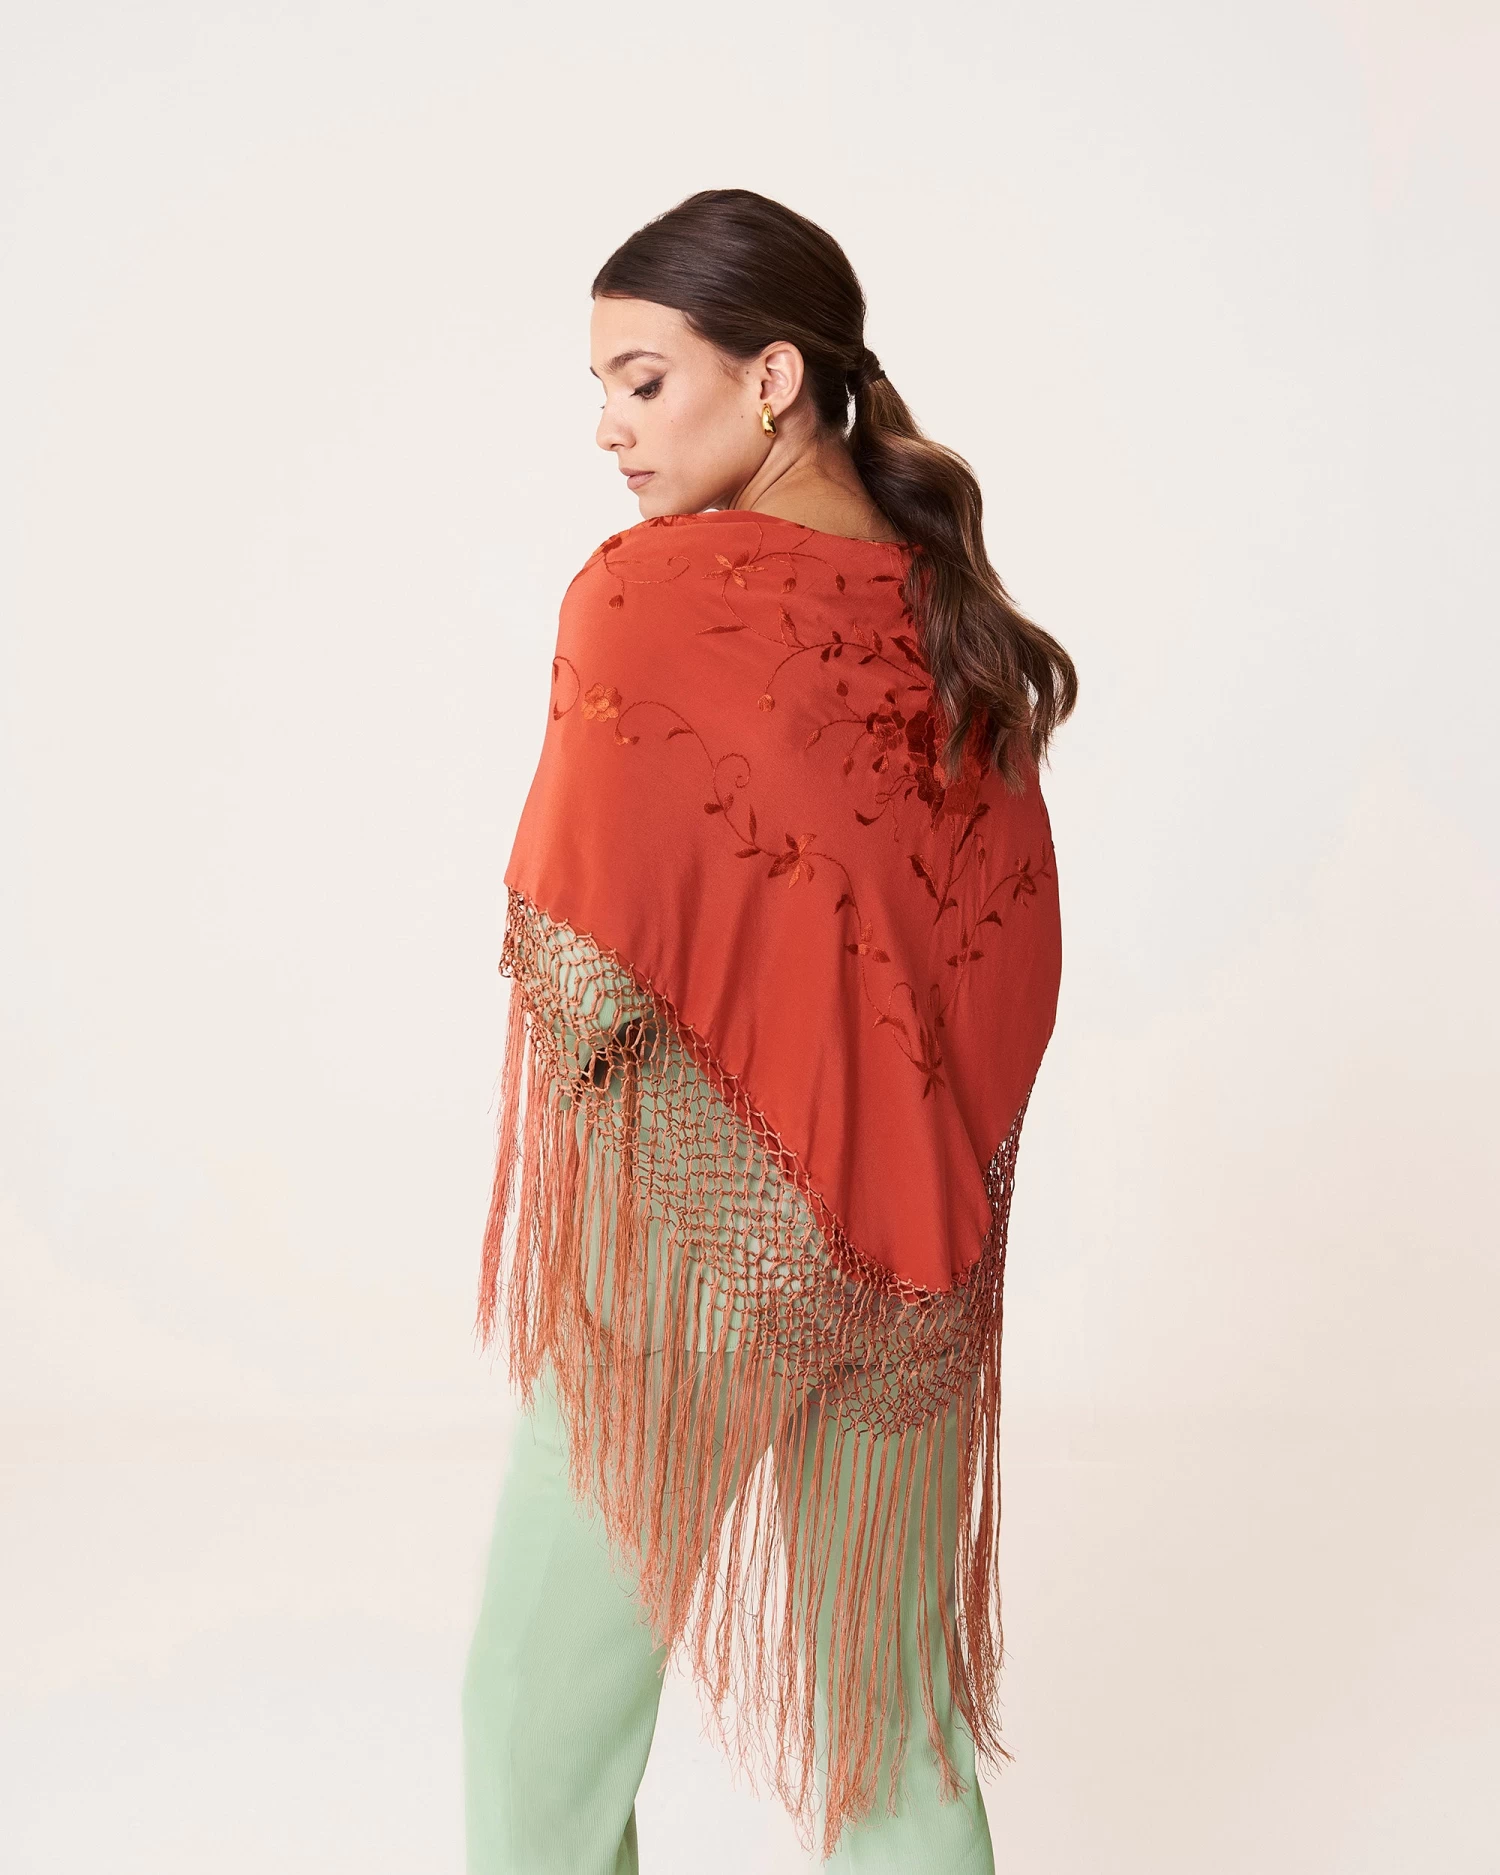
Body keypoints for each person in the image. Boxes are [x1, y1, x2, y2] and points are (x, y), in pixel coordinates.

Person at [461, 187, 1077, 1873]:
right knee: (899, 1741)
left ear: (776, 377)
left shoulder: (646, 600)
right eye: (603, 387)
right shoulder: (947, 615)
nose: (610, 427)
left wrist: (706, 1164)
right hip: (914, 1247)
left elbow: (587, 960)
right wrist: (904, 1177)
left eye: (644, 380)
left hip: (689, 1232)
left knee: (533, 1711)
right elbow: (1010, 959)